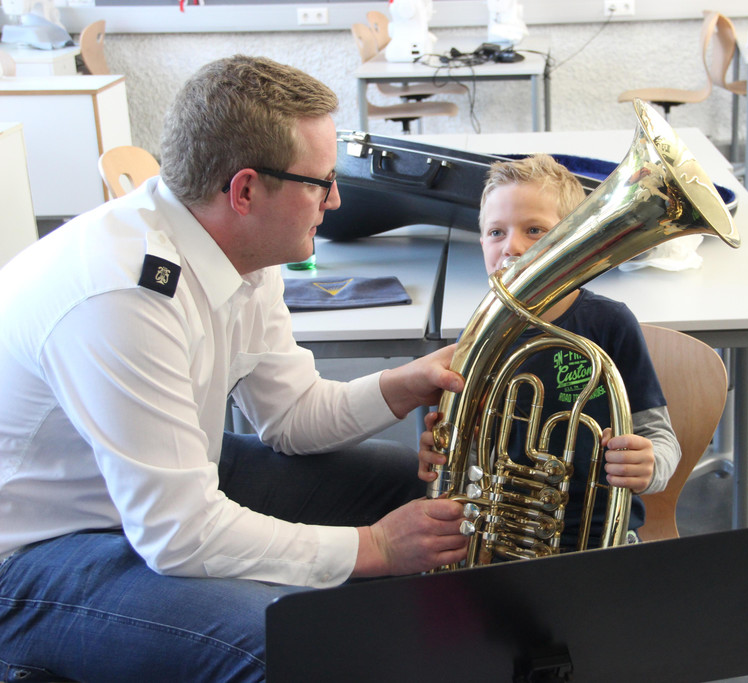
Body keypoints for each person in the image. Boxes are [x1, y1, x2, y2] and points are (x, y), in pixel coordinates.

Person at [0, 55, 469, 682]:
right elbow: (180, 532)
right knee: (287, 643)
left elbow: (292, 418)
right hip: (32, 554)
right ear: (245, 191)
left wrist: (406, 384)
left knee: (403, 483)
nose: (335, 199)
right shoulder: (121, 295)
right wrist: (375, 547)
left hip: (138, 492)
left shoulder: (243, 249)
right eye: (322, 181)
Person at [417, 154, 681, 552]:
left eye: (534, 230)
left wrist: (649, 464)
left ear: (574, 239)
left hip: (598, 537)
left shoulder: (610, 323)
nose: (512, 247)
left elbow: (660, 437)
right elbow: (464, 452)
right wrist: (443, 451)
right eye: (496, 232)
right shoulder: (475, 338)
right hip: (498, 536)